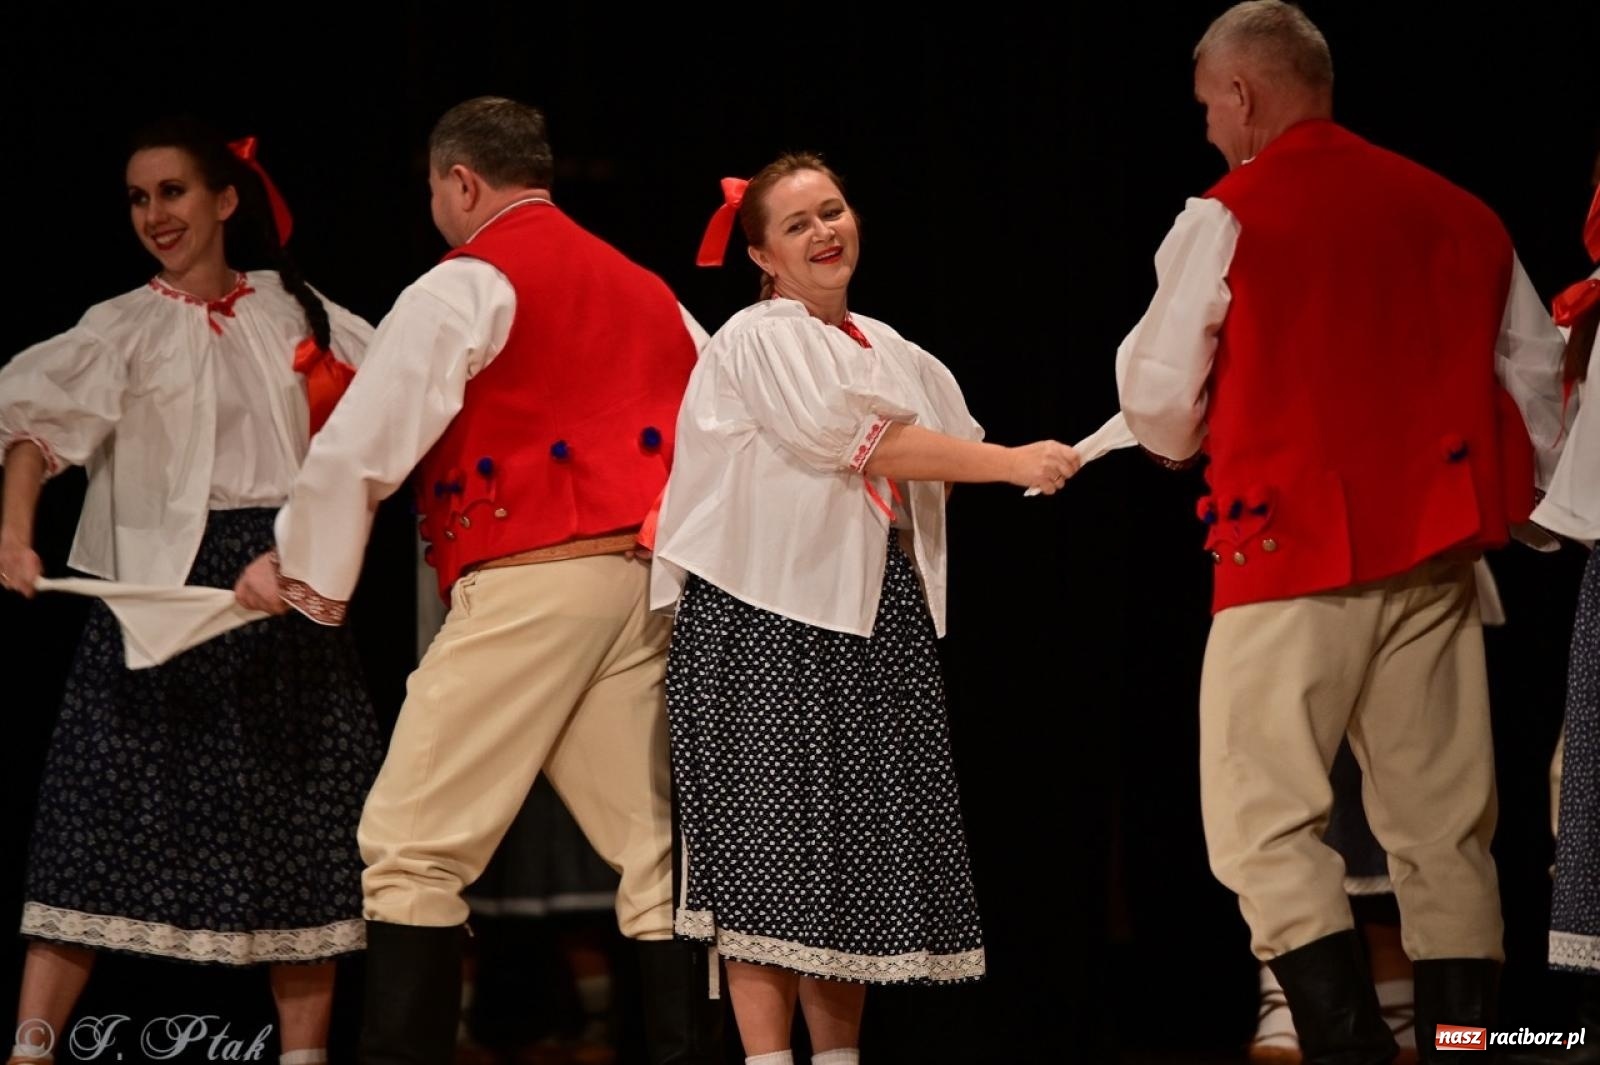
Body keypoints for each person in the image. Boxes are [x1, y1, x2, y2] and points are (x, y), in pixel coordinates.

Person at [1113, 3, 1569, 1062]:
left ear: (1240, 94)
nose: (1211, 133)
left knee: (1261, 822)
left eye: (1209, 110)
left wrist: (1185, 437)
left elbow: (1156, 401)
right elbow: (1535, 389)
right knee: (1444, 832)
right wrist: (1521, 521)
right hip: (1436, 558)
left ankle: (1345, 1046)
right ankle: (1464, 1048)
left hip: (1285, 559)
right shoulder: (1463, 213)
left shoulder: (1226, 214)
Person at [232, 96, 720, 1065]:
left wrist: (301, 568)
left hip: (533, 583)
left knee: (410, 846)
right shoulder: (648, 290)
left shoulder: (466, 283)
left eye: (433, 192)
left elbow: (366, 441)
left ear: (462, 182)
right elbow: (719, 423)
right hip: (642, 584)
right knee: (656, 856)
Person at [650, 153, 1080, 1065]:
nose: (824, 233)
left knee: (847, 854)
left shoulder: (892, 348)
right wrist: (1011, 461)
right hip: (764, 617)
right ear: (762, 255)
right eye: (798, 224)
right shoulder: (759, 335)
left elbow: (944, 444)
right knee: (765, 852)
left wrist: (1028, 459)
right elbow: (860, 438)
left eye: (833, 211)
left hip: (869, 617)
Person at [0, 118, 380, 1065]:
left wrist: (304, 551)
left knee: (298, 818)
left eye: (171, 192)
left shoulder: (300, 315)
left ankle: (302, 1054)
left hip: (279, 577)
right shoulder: (122, 325)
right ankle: (29, 1049)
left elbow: (380, 427)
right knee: (96, 815)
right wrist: (14, 531)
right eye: (138, 198)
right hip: (161, 594)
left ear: (224, 199)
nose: (154, 214)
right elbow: (37, 429)